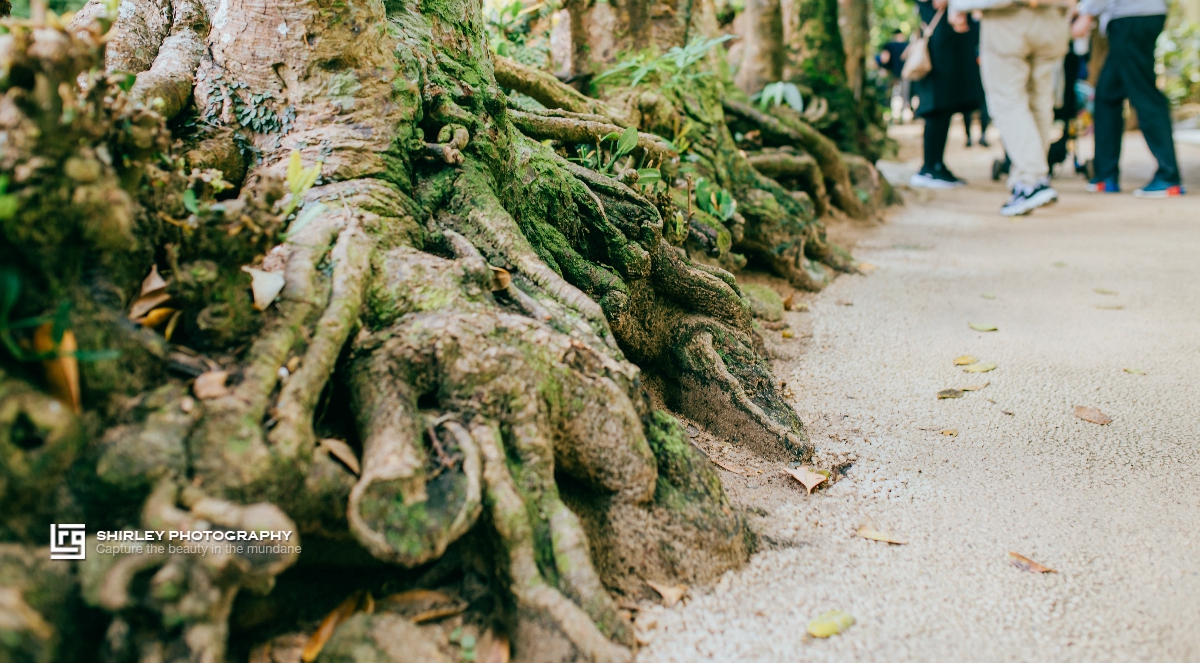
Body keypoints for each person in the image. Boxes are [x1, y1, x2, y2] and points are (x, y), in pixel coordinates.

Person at [950, 0, 1070, 216]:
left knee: (1007, 99)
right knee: (1040, 102)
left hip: (1008, 19)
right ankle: (1024, 181)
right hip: (1053, 20)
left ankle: (1032, 179)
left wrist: (958, 5)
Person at [1073, 0, 1184, 197]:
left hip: (1132, 18)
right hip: (1136, 16)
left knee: (1144, 95)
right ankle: (1106, 175)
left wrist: (1086, 12)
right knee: (1107, 95)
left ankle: (1168, 177)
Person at [908, 0, 985, 189]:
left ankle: (937, 164)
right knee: (936, 106)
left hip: (951, 43)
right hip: (938, 46)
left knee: (946, 106)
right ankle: (928, 167)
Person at [877, 30, 913, 120]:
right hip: (905, 73)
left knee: (888, 94)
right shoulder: (907, 45)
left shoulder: (889, 46)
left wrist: (883, 68)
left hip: (891, 72)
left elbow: (884, 58)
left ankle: (887, 115)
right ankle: (905, 116)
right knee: (905, 95)